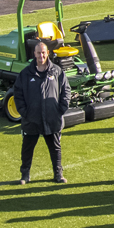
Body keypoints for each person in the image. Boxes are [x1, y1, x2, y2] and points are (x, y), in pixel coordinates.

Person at [15, 39, 68, 185]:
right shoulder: (25, 74)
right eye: (38, 53)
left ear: (48, 53)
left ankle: (58, 174)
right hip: (31, 120)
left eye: (43, 53)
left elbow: (66, 91)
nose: (41, 56)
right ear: (34, 54)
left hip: (52, 119)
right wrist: (24, 113)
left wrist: (60, 110)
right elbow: (17, 94)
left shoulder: (56, 71)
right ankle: (25, 175)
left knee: (55, 149)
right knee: (27, 149)